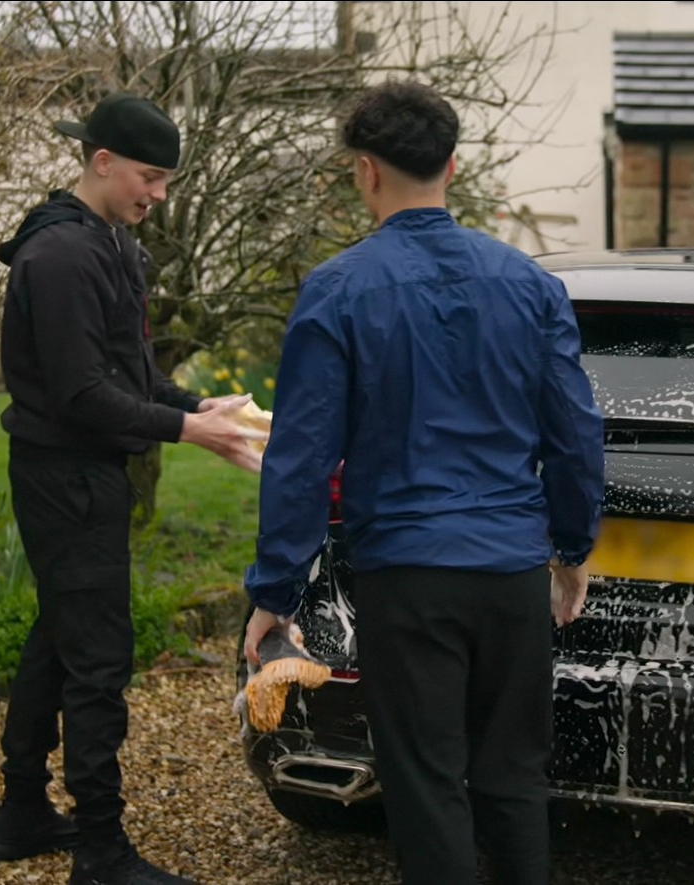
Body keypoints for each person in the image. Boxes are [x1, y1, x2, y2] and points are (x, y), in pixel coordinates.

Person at [242, 81, 605, 885]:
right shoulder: (529, 283)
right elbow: (575, 433)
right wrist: (572, 547)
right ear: (451, 164)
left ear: (366, 171)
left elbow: (300, 456)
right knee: (513, 775)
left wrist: (275, 590)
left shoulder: (337, 289)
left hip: (406, 577)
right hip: (510, 572)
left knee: (426, 784)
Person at [0, 91, 262, 885]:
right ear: (102, 162)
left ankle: (21, 811)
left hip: (83, 473)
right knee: (98, 659)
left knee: (59, 634)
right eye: (150, 177)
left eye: (167, 180)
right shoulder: (60, 256)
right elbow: (80, 395)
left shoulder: (107, 242)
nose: (159, 195)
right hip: (64, 478)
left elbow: (126, 375)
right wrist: (188, 432)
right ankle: (101, 852)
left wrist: (196, 406)